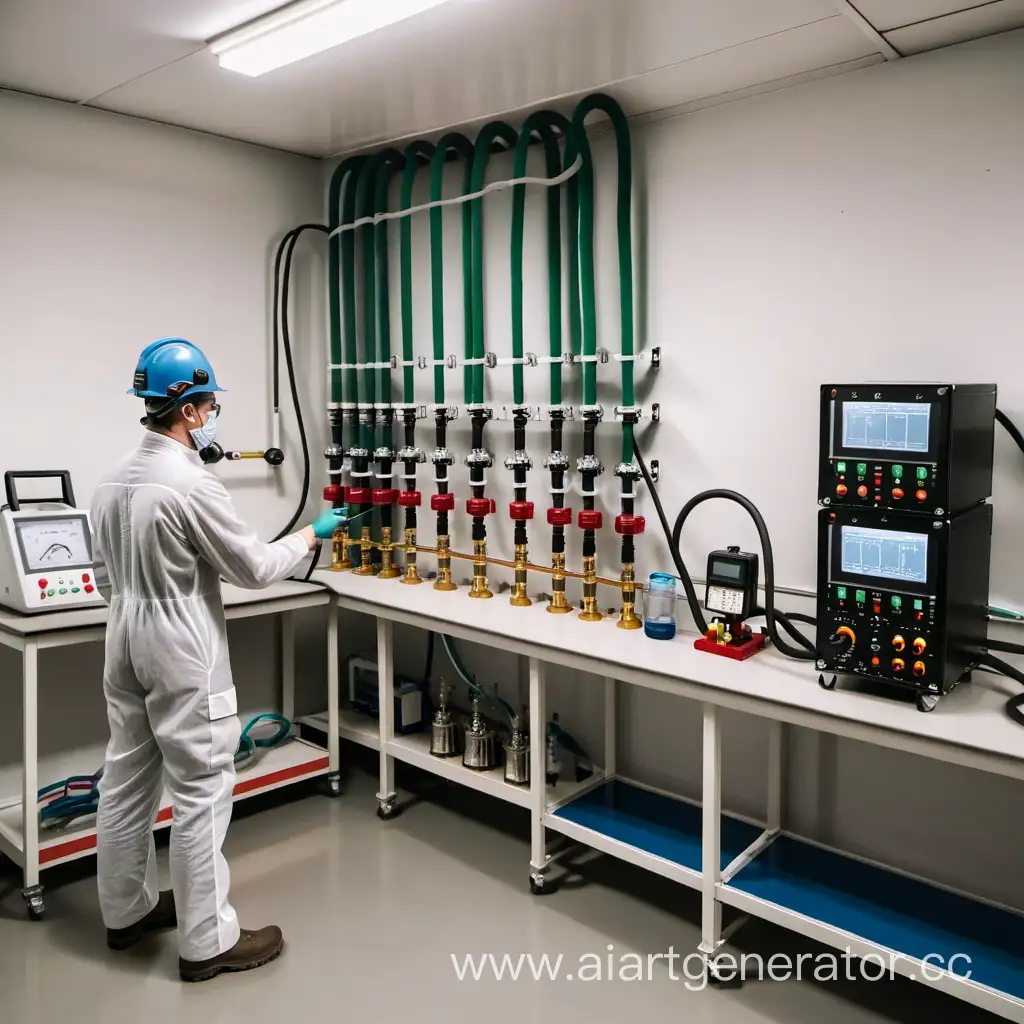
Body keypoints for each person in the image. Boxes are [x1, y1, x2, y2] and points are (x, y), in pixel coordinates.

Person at [90, 338, 344, 982]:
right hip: (180, 644)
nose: (211, 413)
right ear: (190, 410)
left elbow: (101, 579)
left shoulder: (112, 477)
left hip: (122, 634)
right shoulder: (189, 482)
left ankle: (126, 914)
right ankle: (207, 943)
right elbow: (254, 568)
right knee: (202, 789)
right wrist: (310, 535)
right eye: (207, 402)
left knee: (125, 781)